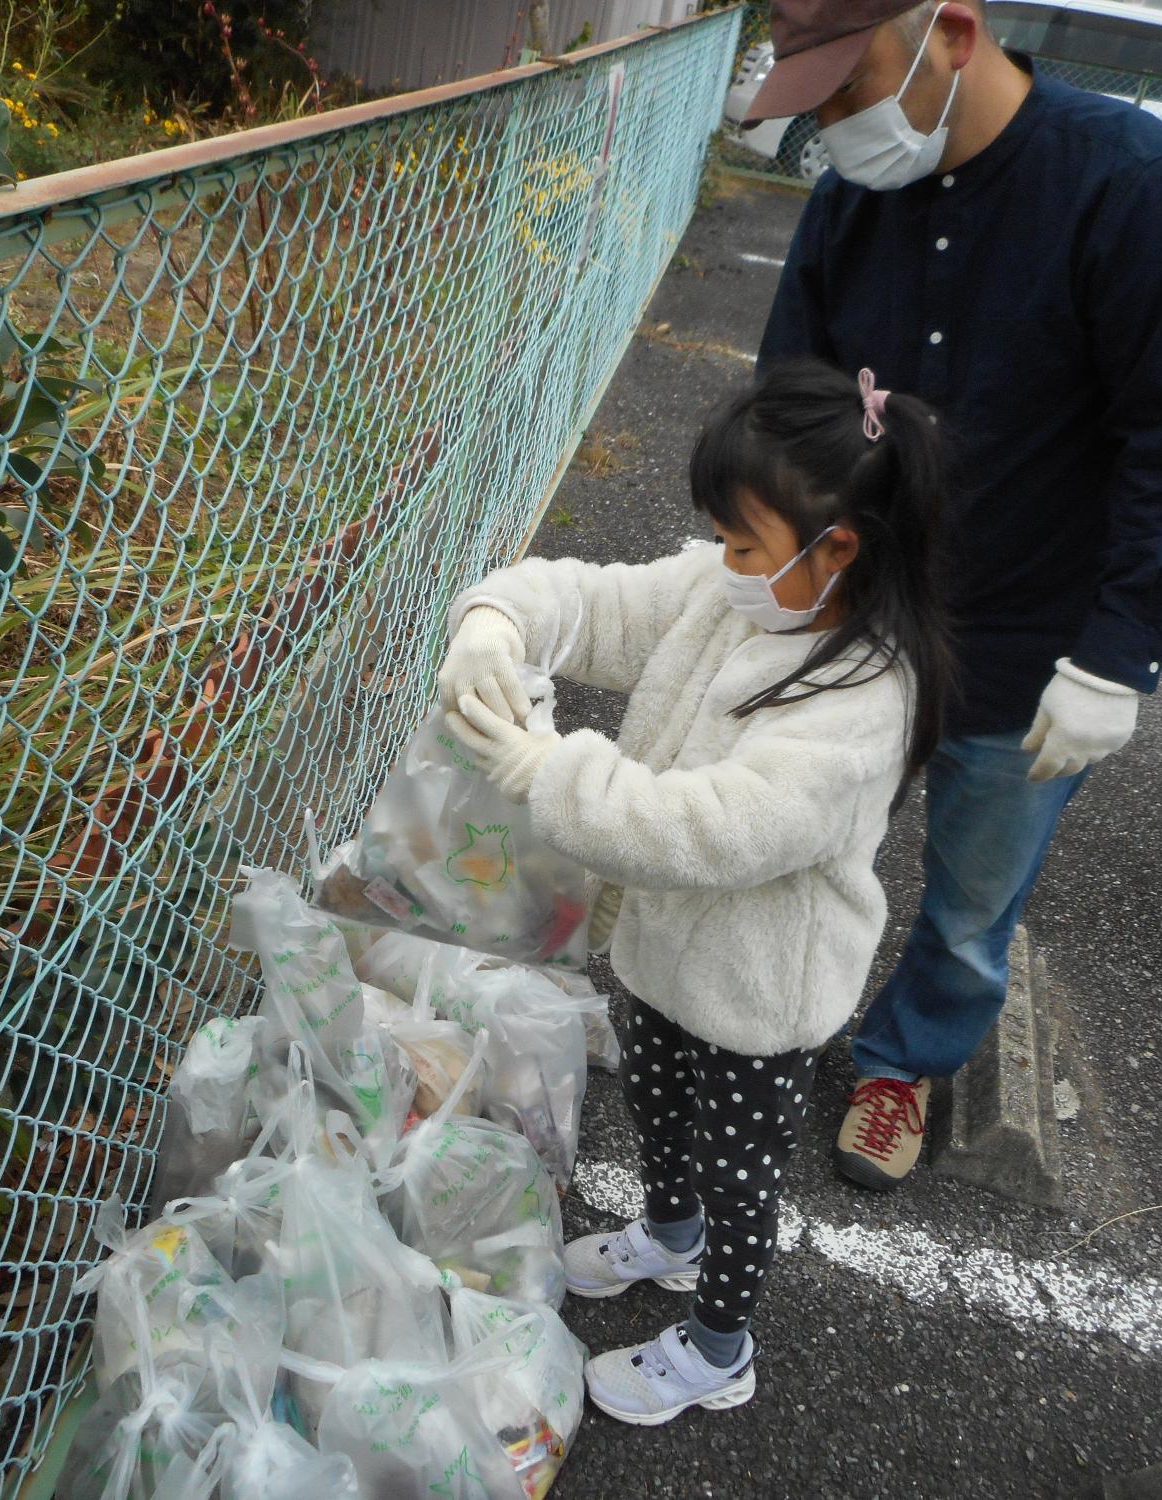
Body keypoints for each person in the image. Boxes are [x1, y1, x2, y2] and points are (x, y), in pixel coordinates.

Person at [744, 0, 1162, 1189]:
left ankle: (901, 1064)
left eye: (846, 91)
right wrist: (767, 554)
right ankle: (756, 1017)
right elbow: (785, 395)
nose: (830, 128)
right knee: (790, 836)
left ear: (949, 32)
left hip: (1025, 633)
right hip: (858, 608)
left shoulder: (1125, 184)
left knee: (970, 898)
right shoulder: (849, 201)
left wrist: (1118, 652)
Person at [434, 360, 954, 1424]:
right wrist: (495, 619)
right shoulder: (737, 593)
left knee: (739, 1169)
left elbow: (712, 831)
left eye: (742, 541)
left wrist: (544, 771)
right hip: (666, 948)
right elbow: (594, 599)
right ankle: (667, 1237)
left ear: (838, 548)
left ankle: (719, 1341)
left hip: (758, 990)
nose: (722, 562)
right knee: (657, 1107)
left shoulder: (862, 702)